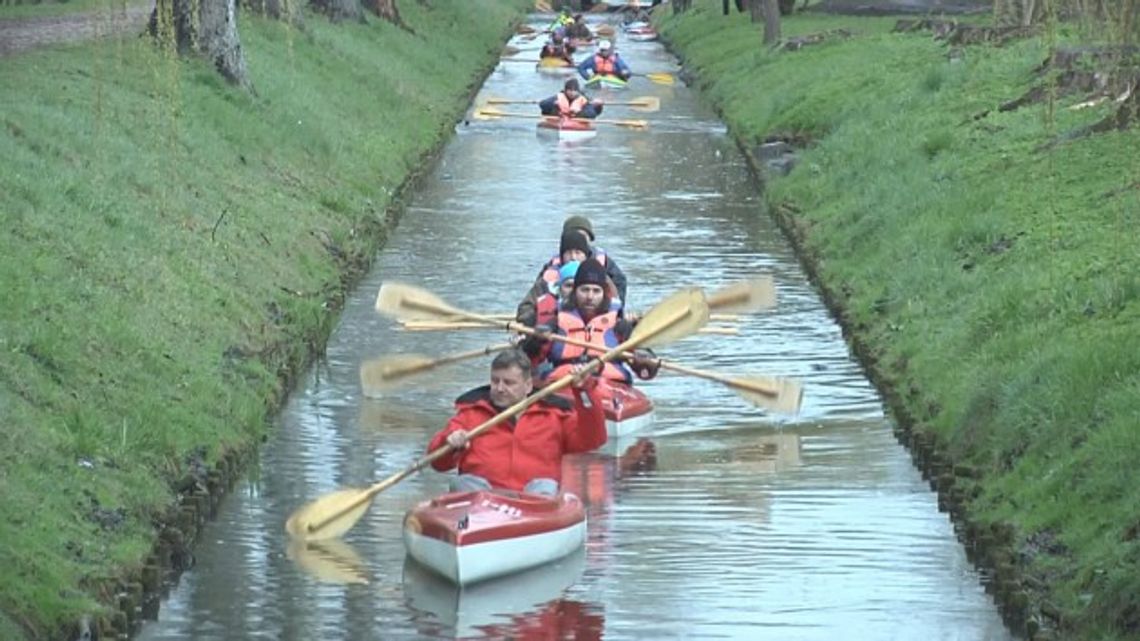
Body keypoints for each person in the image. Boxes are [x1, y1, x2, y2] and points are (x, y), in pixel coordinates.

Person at [427, 349, 606, 496]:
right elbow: (438, 463)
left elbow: (593, 439)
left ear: (528, 386)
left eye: (509, 383)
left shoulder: (554, 415)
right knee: (463, 483)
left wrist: (584, 391)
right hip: (480, 502)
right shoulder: (470, 414)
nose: (500, 388)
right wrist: (449, 443)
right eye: (495, 381)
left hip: (533, 503)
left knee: (546, 486)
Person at [524, 258, 659, 385]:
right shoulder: (556, 323)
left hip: (608, 386)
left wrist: (645, 359)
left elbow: (645, 371)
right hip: (565, 384)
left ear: (604, 294)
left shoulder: (619, 326)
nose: (590, 297)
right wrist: (535, 341)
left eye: (596, 291)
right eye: (584, 290)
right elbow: (527, 361)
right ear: (575, 292)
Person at [516, 216, 628, 327]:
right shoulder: (549, 274)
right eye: (569, 252)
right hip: (557, 330)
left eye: (578, 252)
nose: (573, 257)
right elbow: (526, 308)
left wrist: (619, 316)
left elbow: (618, 287)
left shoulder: (599, 273)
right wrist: (537, 324)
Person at [538, 78, 605, 120]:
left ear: (578, 91)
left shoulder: (583, 100)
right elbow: (542, 104)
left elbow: (592, 113)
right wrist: (553, 104)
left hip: (576, 121)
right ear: (566, 90)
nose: (572, 93)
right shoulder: (559, 97)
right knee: (551, 108)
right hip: (559, 119)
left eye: (574, 90)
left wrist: (579, 112)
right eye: (570, 90)